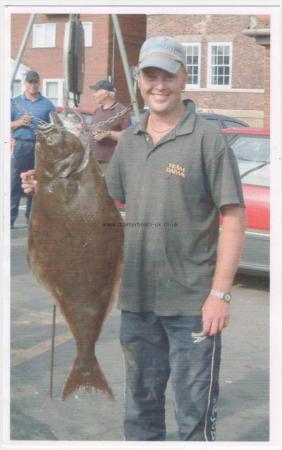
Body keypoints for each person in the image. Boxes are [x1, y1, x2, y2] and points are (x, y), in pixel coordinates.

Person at [21, 36, 246, 441]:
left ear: (184, 79)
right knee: (141, 416)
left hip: (192, 304)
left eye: (168, 75)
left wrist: (221, 293)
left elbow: (233, 218)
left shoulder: (208, 139)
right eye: (150, 76)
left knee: (193, 415)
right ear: (139, 80)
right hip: (137, 303)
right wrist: (51, 188)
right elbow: (99, 204)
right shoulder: (132, 141)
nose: (159, 85)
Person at [10, 70, 55, 228]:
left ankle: (32, 219)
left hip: (40, 146)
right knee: (15, 183)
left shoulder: (47, 104)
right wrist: (20, 122)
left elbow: (54, 127)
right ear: (25, 83)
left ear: (39, 83)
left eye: (35, 82)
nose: (32, 85)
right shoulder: (14, 102)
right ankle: (9, 219)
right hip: (21, 145)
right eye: (29, 82)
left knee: (36, 182)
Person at [88, 79, 131, 172]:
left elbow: (128, 136)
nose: (93, 94)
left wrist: (107, 134)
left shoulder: (122, 111)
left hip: (109, 163)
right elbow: (91, 131)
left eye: (96, 91)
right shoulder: (97, 111)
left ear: (106, 93)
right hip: (92, 160)